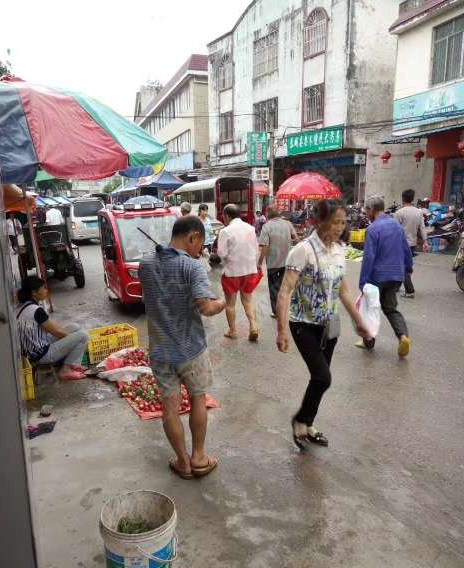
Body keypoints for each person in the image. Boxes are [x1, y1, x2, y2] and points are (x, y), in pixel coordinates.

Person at [276, 200, 369, 449]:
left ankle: (308, 425)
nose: (340, 227)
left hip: (330, 324)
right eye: (335, 222)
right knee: (323, 377)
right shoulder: (303, 250)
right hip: (303, 323)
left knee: (319, 379)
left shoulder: (339, 249)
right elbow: (285, 291)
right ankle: (299, 420)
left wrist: (359, 321)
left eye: (343, 222)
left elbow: (344, 290)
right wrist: (282, 329)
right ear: (320, 220)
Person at [139, 216, 226, 479]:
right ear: (192, 237)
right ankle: (198, 457)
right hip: (191, 350)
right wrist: (223, 302)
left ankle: (182, 462)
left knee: (170, 407)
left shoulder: (145, 263)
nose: (201, 250)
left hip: (160, 351)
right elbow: (206, 308)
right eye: (201, 244)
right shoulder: (192, 267)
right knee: (198, 398)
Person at [360, 195, 413, 357]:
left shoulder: (373, 229)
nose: (366, 214)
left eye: (366, 211)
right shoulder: (396, 226)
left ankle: (369, 341)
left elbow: (369, 257)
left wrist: (363, 282)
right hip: (396, 275)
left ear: (372, 211)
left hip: (377, 277)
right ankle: (403, 336)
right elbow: (406, 250)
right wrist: (409, 268)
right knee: (390, 308)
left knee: (370, 308)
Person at [16, 277, 89, 380]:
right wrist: (71, 340)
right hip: (41, 355)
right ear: (34, 293)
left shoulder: (24, 306)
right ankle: (65, 370)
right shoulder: (36, 310)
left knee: (74, 327)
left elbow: (53, 327)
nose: (46, 290)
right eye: (43, 288)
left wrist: (69, 339)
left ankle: (72, 363)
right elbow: (57, 332)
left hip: (33, 348)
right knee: (83, 336)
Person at [217, 204, 261, 341]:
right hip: (249, 270)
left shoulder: (226, 231)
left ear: (227, 216)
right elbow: (255, 250)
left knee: (230, 303)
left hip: (232, 272)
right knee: (248, 300)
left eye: (223, 216)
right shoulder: (251, 229)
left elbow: (221, 253)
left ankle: (232, 330)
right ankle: (253, 326)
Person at [258, 203, 297, 317]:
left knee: (274, 288)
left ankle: (276, 311)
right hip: (287, 262)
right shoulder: (288, 224)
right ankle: (285, 309)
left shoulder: (267, 226)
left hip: (272, 263)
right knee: (284, 286)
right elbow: (297, 239)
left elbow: (264, 246)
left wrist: (259, 263)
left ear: (269, 213)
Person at [395, 188, 429, 298]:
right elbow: (422, 228)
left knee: (403, 266)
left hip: (401, 244)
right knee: (404, 265)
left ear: (403, 199)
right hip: (413, 244)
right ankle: (396, 287)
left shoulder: (399, 212)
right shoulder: (418, 212)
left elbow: (394, 230)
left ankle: (410, 291)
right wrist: (425, 241)